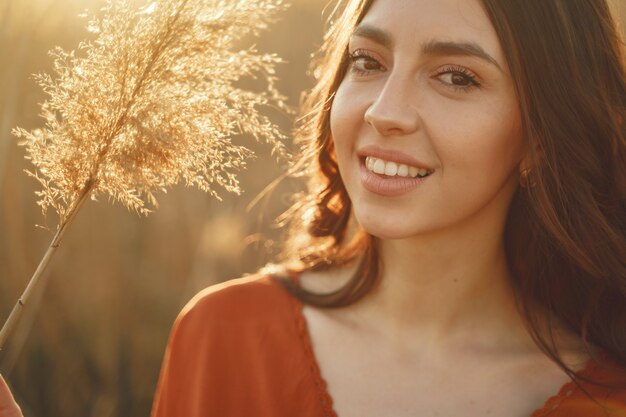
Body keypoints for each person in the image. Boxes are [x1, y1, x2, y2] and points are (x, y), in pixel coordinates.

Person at [1, 0, 624, 416]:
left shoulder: (604, 397)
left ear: (542, 135)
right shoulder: (224, 337)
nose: (382, 111)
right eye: (367, 61)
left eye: (456, 76)